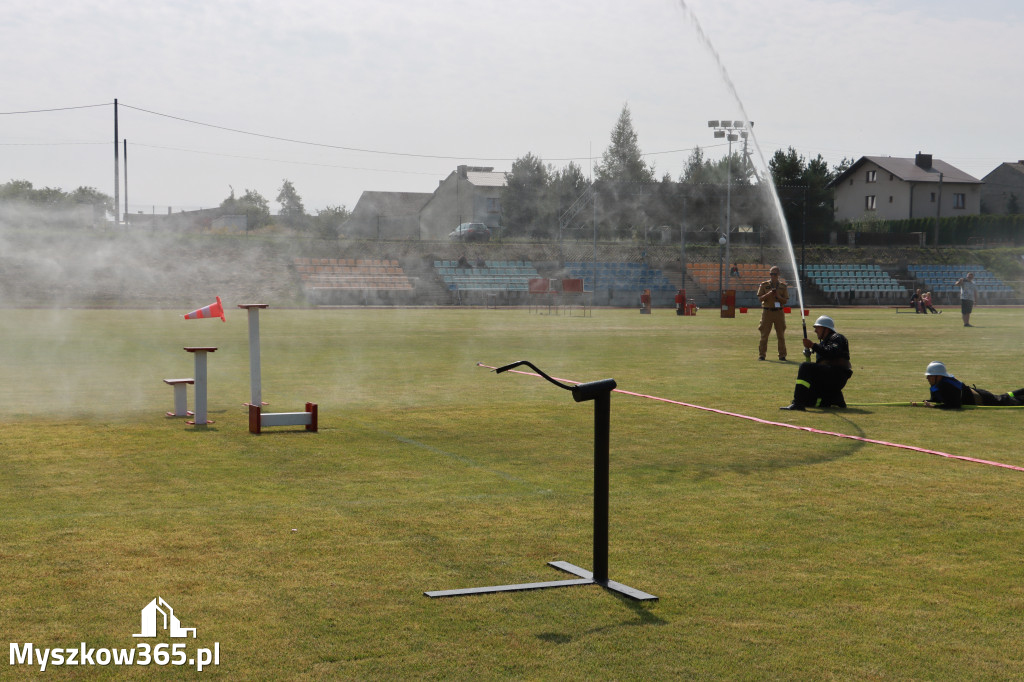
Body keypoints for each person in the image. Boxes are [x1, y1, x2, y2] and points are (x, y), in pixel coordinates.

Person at [780, 315, 852, 410]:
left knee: (805, 367)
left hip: (837, 375)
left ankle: (797, 403)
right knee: (807, 401)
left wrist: (813, 346)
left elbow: (831, 353)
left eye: (817, 328)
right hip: (828, 377)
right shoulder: (823, 343)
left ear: (825, 328)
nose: (815, 331)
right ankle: (835, 398)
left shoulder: (837, 337)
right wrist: (808, 354)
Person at [913, 361, 1024, 409]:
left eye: (930, 375)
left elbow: (954, 405)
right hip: (980, 394)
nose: (927, 377)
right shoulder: (938, 385)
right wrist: (925, 402)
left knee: (1009, 401)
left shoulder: (946, 386)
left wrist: (934, 406)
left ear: (939, 376)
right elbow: (937, 400)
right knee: (1004, 397)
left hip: (983, 399)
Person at [756, 266, 788, 361]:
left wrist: (777, 295)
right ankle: (762, 355)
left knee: (781, 335)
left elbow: (785, 301)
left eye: (774, 274)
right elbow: (760, 298)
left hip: (778, 312)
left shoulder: (783, 286)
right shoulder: (764, 285)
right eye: (771, 274)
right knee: (764, 335)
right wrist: (769, 293)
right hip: (767, 311)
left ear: (778, 275)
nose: (772, 276)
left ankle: (782, 355)